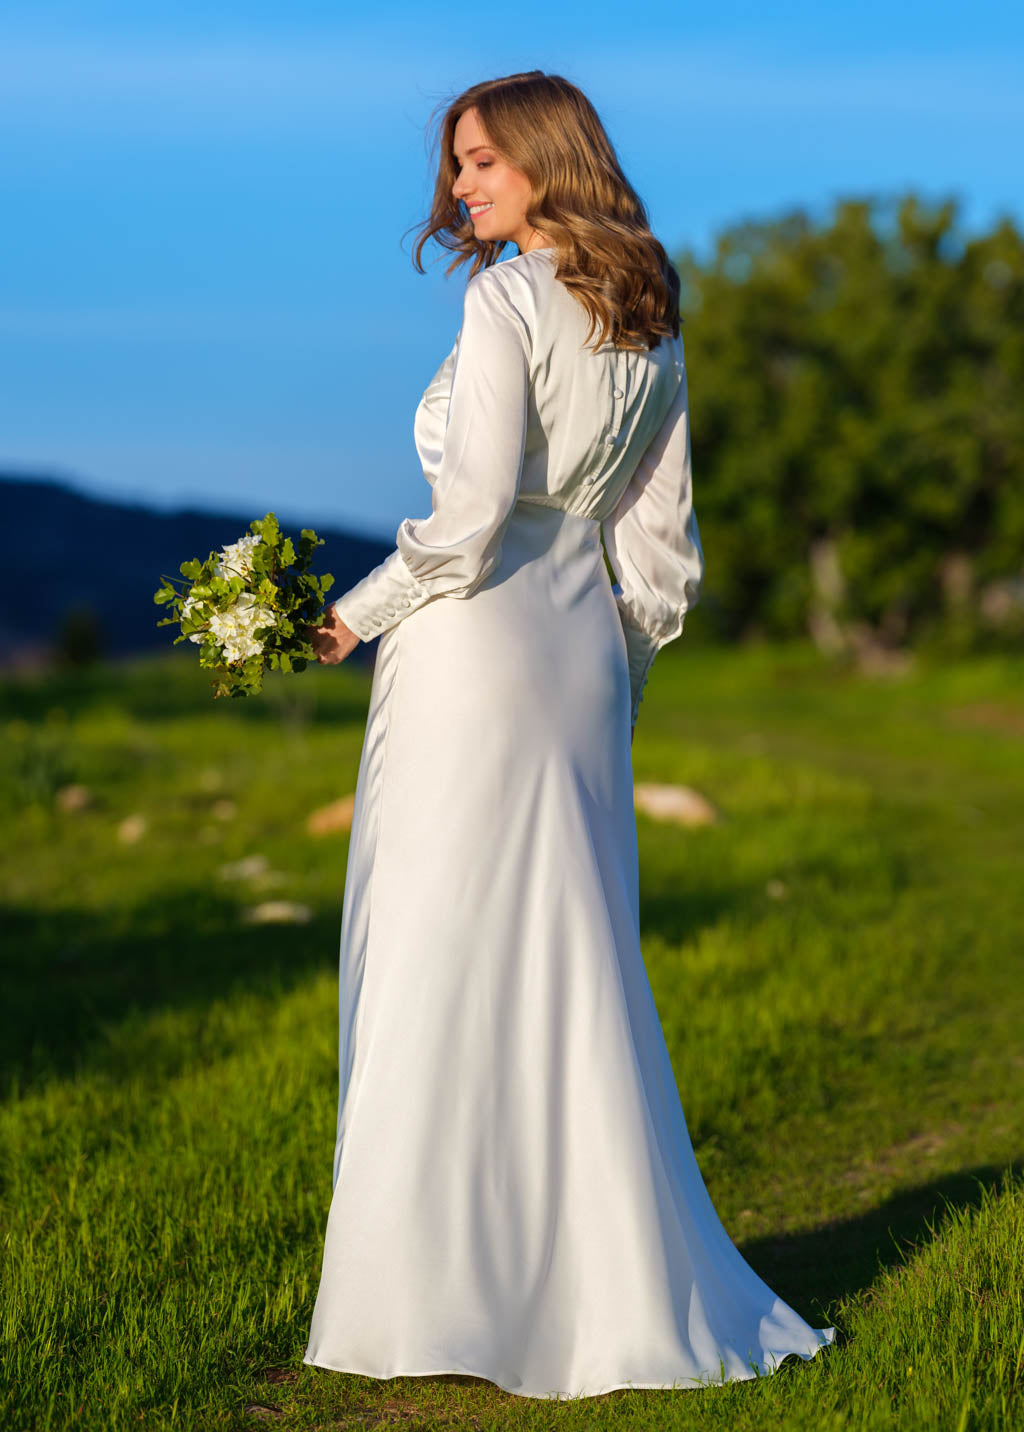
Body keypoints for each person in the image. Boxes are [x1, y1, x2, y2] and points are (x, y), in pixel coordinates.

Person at [303, 70, 834, 1401]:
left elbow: (472, 517)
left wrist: (348, 619)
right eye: (455, 169)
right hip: (580, 658)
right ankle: (598, 1290)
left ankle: (424, 1303)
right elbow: (659, 555)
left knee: (426, 951)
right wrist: (616, 683)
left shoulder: (505, 297)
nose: (460, 190)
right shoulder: (646, 311)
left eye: (480, 163)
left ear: (546, 157)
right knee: (574, 966)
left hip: (471, 653)